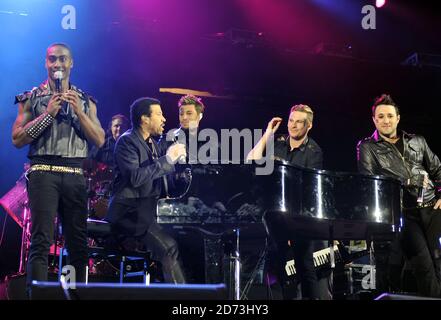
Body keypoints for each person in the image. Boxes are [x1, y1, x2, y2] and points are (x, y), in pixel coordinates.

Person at [11, 43, 105, 297]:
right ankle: (37, 295)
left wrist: (79, 113)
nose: (57, 64)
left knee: (78, 244)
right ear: (45, 63)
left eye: (62, 59)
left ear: (71, 63)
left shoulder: (86, 100)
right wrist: (48, 114)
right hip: (43, 172)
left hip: (75, 175)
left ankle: (76, 296)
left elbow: (99, 139)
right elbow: (17, 139)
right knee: (41, 241)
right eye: (52, 59)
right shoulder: (31, 98)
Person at [357, 94, 441, 297]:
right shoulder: (367, 147)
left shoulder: (417, 141)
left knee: (439, 261)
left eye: (390, 116)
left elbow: (438, 170)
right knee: (424, 266)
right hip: (403, 214)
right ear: (374, 120)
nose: (386, 120)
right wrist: (408, 182)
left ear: (398, 118)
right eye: (381, 116)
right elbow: (369, 184)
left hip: (432, 208)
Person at [105, 97, 187, 284]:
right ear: (145, 119)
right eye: (159, 114)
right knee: (168, 247)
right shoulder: (127, 142)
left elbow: (158, 176)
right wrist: (168, 160)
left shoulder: (152, 144)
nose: (164, 119)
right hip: (129, 212)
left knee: (183, 240)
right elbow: (136, 178)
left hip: (146, 211)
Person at [247, 104, 325, 299]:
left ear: (309, 125)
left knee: (304, 266)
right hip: (274, 216)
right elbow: (251, 160)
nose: (293, 125)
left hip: (299, 217)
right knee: (275, 268)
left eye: (299, 122)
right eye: (291, 120)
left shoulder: (314, 151)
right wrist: (267, 133)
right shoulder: (278, 143)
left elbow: (308, 190)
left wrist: (293, 225)